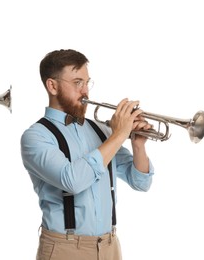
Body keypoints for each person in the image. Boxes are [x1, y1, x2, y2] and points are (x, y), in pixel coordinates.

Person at [20, 49, 155, 260]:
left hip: (110, 246)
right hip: (64, 248)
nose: (85, 91)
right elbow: (72, 180)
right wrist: (118, 135)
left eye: (86, 82)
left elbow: (140, 182)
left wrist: (138, 145)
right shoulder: (35, 136)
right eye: (77, 83)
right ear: (52, 86)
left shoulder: (101, 131)